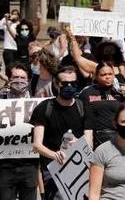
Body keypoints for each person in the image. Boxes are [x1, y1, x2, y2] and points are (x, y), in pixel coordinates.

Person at [31, 66, 86, 200]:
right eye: (65, 83)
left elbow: (88, 138)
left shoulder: (82, 106)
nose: (69, 86)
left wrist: (78, 143)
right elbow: (36, 145)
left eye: (73, 83)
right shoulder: (44, 108)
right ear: (56, 84)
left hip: (78, 168)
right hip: (53, 170)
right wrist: (55, 155)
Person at [0, 62, 39, 200]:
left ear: (28, 80)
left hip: (29, 164)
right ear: (9, 79)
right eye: (15, 77)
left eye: (22, 78)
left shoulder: (37, 102)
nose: (19, 81)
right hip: (5, 164)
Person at [79, 61, 125, 149]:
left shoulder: (121, 92)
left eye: (110, 74)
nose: (107, 77)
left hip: (118, 138)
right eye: (103, 75)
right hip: (95, 139)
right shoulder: (87, 92)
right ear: (96, 76)